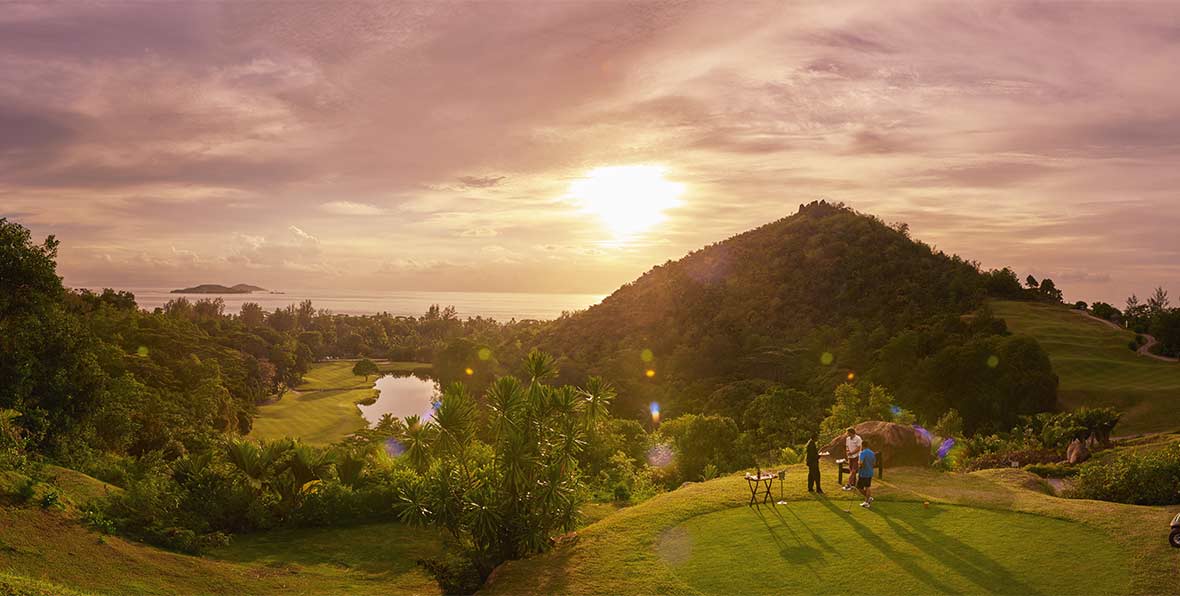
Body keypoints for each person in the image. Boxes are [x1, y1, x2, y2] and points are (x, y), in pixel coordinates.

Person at [856, 441, 876, 508]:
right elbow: (874, 463)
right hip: (870, 472)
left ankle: (867, 502)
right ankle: (868, 498)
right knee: (867, 486)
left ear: (862, 445)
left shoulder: (862, 453)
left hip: (863, 473)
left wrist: (859, 466)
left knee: (860, 487)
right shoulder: (872, 453)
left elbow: (860, 463)